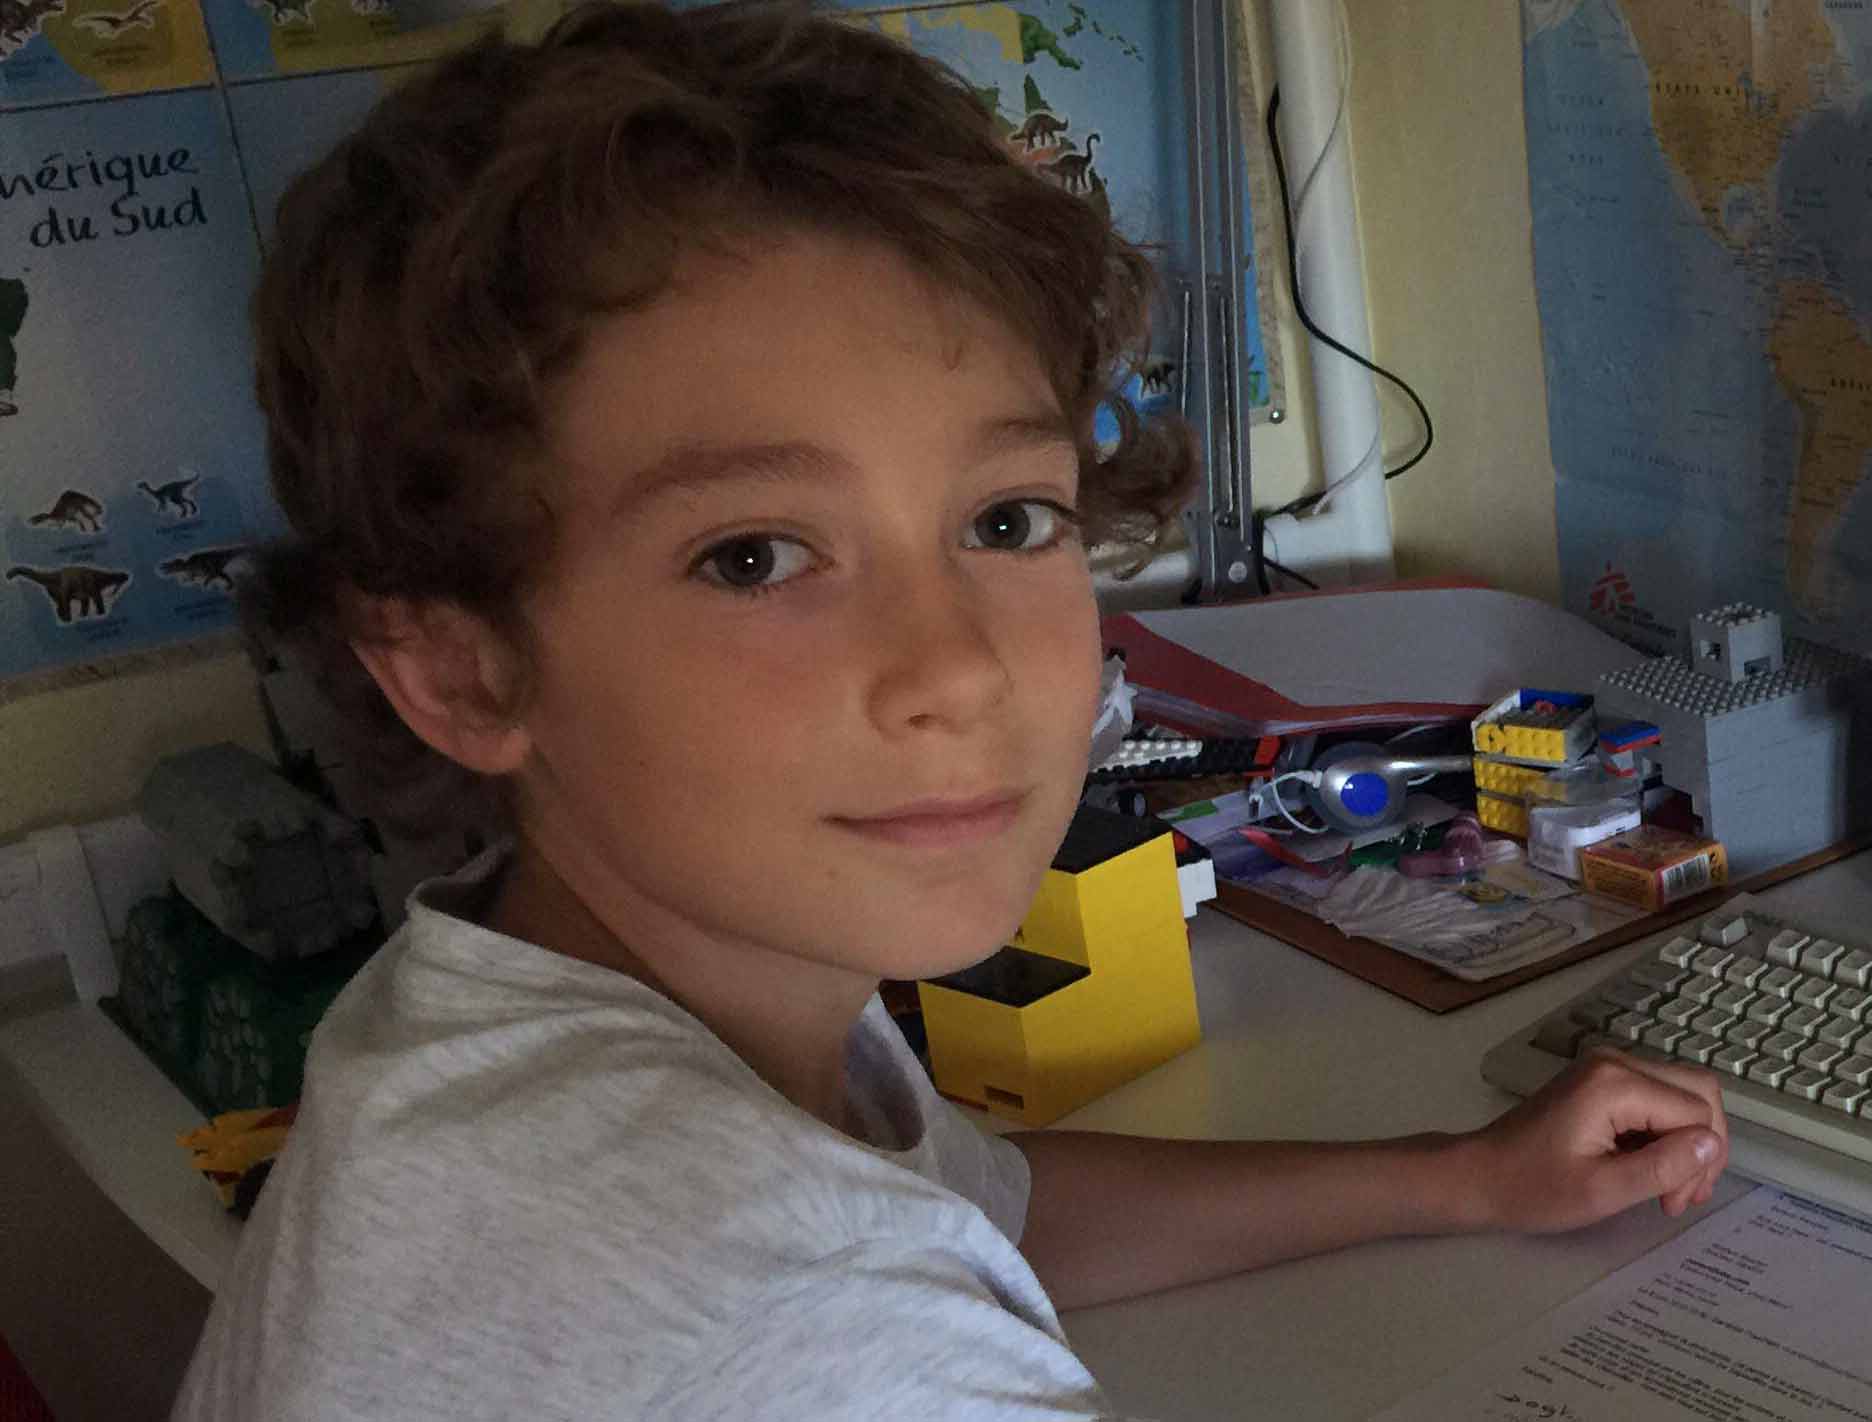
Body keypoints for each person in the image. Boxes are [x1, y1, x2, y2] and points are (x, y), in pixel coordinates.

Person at [175, 4, 1729, 1415]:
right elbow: (847, 1290)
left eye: (1004, 519)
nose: (959, 667)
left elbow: (982, 1209)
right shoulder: (811, 1321)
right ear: (464, 668)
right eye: (754, 555)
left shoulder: (535, 1006)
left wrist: (1462, 1179)